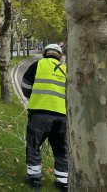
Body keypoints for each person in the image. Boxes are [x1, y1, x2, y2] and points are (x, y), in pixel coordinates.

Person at [21, 44, 68, 191]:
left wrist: (33, 96)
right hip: (62, 117)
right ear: (59, 56)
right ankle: (63, 182)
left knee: (34, 146)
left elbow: (26, 85)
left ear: (45, 53)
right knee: (61, 149)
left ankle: (34, 179)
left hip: (39, 115)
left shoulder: (38, 64)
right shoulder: (65, 69)